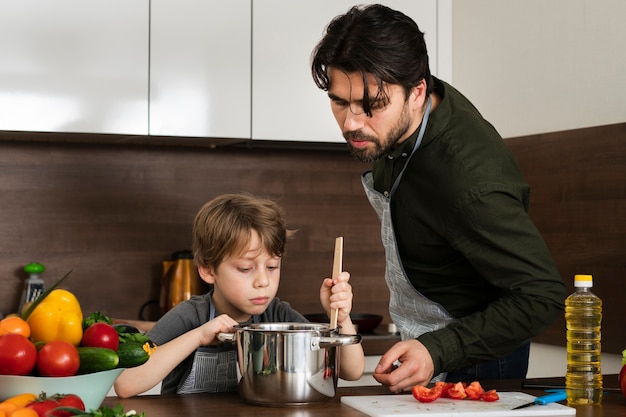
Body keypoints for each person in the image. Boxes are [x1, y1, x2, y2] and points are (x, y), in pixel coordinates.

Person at [311, 4, 567, 392]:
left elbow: (541, 295)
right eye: (340, 102)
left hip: (478, 361)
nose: (351, 123)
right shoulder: (400, 107)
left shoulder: (469, 180)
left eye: (371, 106)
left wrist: (437, 350)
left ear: (417, 92)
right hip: (424, 342)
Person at [114, 193, 364, 397]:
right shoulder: (190, 316)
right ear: (208, 269)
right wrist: (198, 337)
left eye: (272, 267)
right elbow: (126, 384)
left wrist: (341, 319)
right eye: (245, 268)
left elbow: (352, 371)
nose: (263, 281)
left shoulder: (278, 315)